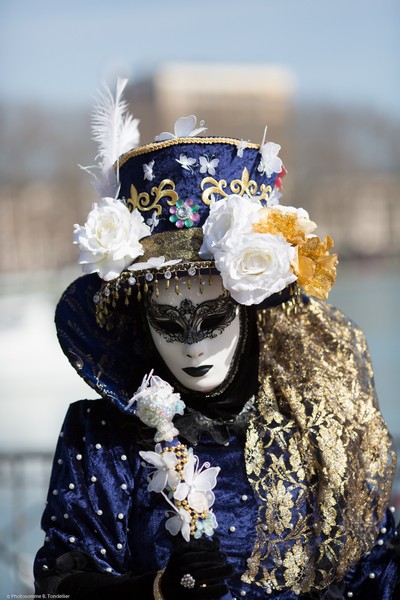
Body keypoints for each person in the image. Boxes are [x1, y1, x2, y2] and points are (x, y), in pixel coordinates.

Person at [34, 80, 399, 599]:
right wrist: (155, 591)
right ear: (142, 321)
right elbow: (59, 584)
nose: (194, 346)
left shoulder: (319, 422)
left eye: (212, 317)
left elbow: (372, 570)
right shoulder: (103, 440)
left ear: (251, 311)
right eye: (170, 323)